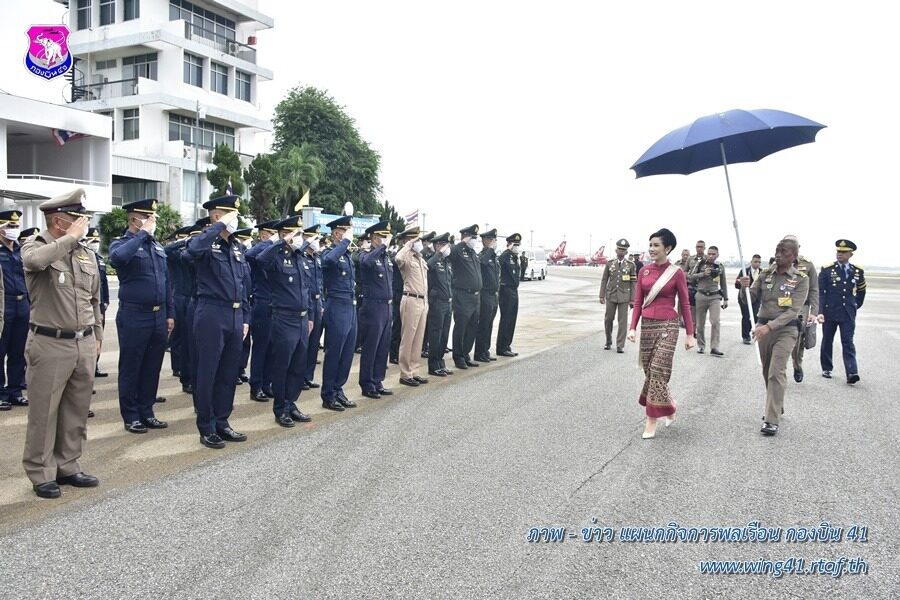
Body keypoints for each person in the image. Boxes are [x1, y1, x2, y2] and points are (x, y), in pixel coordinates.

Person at [21, 188, 101, 498]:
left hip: (82, 343)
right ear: (58, 220)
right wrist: (69, 239)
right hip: (50, 342)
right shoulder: (35, 245)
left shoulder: (85, 253)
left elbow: (93, 298)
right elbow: (35, 261)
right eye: (76, 219)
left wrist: (96, 335)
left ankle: (68, 465)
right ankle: (41, 472)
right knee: (45, 412)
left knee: (76, 409)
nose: (83, 224)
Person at [184, 195, 250, 449]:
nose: (235, 221)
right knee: (207, 371)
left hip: (234, 315)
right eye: (230, 215)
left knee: (228, 372)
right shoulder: (203, 243)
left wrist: (245, 316)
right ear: (216, 216)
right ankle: (206, 425)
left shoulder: (236, 247)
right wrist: (217, 227)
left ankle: (222, 421)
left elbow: (243, 285)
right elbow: (191, 253)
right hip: (211, 312)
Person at [108, 198, 174, 434]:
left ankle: (147, 411)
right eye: (148, 218)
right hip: (134, 315)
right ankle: (131, 415)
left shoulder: (156, 247)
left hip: (158, 316)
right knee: (131, 366)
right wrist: (141, 235)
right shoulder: (123, 243)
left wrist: (170, 314)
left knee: (152, 366)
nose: (153, 222)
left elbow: (166, 283)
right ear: (135, 219)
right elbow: (117, 260)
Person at [627, 228, 695, 440]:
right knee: (650, 371)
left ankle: (651, 420)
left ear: (668, 248)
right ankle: (670, 406)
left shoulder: (677, 273)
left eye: (656, 245)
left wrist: (690, 334)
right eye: (651, 245)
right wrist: (632, 327)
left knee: (658, 369)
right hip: (648, 325)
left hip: (668, 325)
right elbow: (638, 301)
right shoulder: (643, 271)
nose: (652, 249)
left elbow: (684, 303)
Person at [739, 238, 810, 436]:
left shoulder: (801, 279)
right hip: (763, 326)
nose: (778, 255)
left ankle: (771, 419)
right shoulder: (765, 274)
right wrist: (744, 288)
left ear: (793, 256)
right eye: (777, 251)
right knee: (766, 371)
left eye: (784, 252)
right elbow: (749, 298)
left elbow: (793, 310)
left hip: (786, 329)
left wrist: (769, 327)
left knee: (776, 372)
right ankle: (778, 405)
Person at [257, 216, 314, 426]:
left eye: (300, 234)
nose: (300, 238)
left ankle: (291, 403)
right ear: (284, 234)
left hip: (302, 318)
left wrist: (311, 317)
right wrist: (281, 242)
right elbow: (260, 259)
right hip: (284, 318)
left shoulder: (300, 257)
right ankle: (280, 408)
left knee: (299, 365)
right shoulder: (276, 256)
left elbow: (307, 289)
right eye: (295, 234)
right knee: (282, 366)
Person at [320, 215, 358, 411]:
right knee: (335, 351)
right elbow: (327, 261)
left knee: (347, 351)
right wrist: (344, 243)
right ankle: (328, 394)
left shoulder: (347, 254)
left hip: (350, 305)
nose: (348, 235)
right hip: (337, 305)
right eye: (345, 231)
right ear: (336, 233)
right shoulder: (331, 252)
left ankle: (338, 388)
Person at [818, 239, 866, 384]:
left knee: (848, 342)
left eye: (844, 252)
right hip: (830, 311)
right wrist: (820, 311)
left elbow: (861, 291)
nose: (840, 254)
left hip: (847, 313)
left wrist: (854, 306)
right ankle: (827, 367)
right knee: (827, 340)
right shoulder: (827, 269)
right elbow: (821, 293)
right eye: (838, 251)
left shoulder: (857, 271)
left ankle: (851, 372)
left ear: (850, 254)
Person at [358, 221, 395, 399]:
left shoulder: (386, 257)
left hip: (386, 305)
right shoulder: (367, 255)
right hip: (373, 306)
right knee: (371, 346)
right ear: (373, 238)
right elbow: (366, 263)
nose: (385, 240)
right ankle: (367, 383)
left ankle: (377, 380)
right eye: (381, 236)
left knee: (383, 346)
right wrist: (380, 248)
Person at [244, 220, 279, 401]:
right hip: (262, 303)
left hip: (277, 305)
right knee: (261, 347)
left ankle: (267, 383)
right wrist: (269, 242)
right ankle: (256, 385)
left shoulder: (276, 251)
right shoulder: (259, 249)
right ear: (263, 235)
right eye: (271, 234)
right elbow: (250, 255)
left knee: (273, 348)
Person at [0, 209, 28, 410]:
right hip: (4, 304)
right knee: (1, 351)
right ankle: (1, 393)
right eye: (10, 226)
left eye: (16, 226)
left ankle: (15, 391)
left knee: (18, 351)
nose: (14, 230)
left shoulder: (21, 250)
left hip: (22, 304)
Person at [395, 228, 430, 386]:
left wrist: (426, 303)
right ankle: (405, 373)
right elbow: (398, 258)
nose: (419, 243)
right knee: (408, 338)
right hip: (410, 299)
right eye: (416, 240)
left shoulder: (420, 259)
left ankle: (414, 370)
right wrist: (408, 245)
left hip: (422, 301)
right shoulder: (406, 257)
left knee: (418, 338)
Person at [782, 235, 819, 383]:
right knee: (780, 338)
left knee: (797, 339)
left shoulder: (808, 265)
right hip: (781, 305)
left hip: (800, 308)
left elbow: (814, 289)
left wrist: (814, 312)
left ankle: (797, 365)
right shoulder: (777, 263)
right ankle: (780, 369)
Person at [449, 224, 483, 369]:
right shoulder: (458, 251)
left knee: (472, 327)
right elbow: (450, 253)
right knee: (461, 327)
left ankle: (466, 353)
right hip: (463, 295)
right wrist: (462, 242)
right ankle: (458, 356)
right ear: (465, 237)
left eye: (475, 237)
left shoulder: (472, 253)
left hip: (475, 296)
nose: (474, 240)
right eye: (472, 237)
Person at [688, 245, 728, 356]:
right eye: (709, 253)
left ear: (717, 255)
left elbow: (723, 283)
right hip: (701, 295)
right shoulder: (700, 263)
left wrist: (726, 299)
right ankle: (701, 345)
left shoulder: (720, 266)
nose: (711, 256)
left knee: (715, 321)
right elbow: (690, 276)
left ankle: (714, 347)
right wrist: (702, 274)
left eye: (713, 254)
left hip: (714, 297)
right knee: (700, 324)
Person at [599, 238, 636, 353]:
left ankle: (620, 345)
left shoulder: (631, 265)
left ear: (626, 252)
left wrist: (633, 299)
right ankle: (608, 341)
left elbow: (633, 282)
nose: (621, 251)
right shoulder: (610, 263)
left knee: (622, 321)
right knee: (608, 319)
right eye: (619, 249)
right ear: (616, 250)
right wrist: (601, 295)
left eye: (623, 250)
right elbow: (604, 279)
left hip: (624, 297)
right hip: (611, 295)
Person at [426, 233, 454, 376]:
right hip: (437, 303)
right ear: (437, 246)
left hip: (448, 303)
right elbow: (428, 266)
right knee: (435, 334)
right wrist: (438, 254)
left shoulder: (446, 262)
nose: (446, 248)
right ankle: (433, 365)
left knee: (444, 334)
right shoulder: (434, 260)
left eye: (446, 245)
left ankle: (440, 362)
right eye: (443, 245)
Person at [302, 224, 325, 389]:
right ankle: (300, 376)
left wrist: (322, 302)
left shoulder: (317, 257)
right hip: (306, 302)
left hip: (317, 302)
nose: (317, 242)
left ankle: (308, 376)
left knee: (314, 341)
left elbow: (320, 282)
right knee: (304, 342)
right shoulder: (301, 256)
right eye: (314, 238)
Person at [84, 228, 109, 379]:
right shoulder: (85, 257)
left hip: (100, 304)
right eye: (92, 241)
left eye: (97, 241)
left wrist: (105, 300)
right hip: (88, 303)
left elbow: (103, 282)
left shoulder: (99, 258)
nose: (96, 244)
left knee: (99, 336)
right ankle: (87, 369)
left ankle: (95, 365)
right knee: (88, 337)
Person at [474, 228, 500, 363]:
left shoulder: (493, 257)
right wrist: (490, 250)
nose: (493, 242)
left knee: (489, 324)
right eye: (490, 239)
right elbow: (482, 263)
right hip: (485, 294)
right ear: (484, 241)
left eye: (494, 240)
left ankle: (485, 350)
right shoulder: (483, 255)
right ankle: (479, 352)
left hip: (494, 295)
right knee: (483, 324)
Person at [496, 233, 522, 358]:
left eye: (518, 245)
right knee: (506, 318)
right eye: (514, 244)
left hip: (513, 290)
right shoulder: (505, 256)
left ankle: (507, 345)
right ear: (509, 244)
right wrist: (507, 250)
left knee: (512, 319)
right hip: (505, 290)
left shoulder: (515, 257)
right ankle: (502, 347)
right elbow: (498, 262)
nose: (517, 247)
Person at [234, 227, 254, 385]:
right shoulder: (236, 254)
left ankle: (240, 368)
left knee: (245, 341)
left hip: (246, 301)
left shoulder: (243, 257)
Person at [735, 254, 762, 344]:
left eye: (759, 262)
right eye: (755, 262)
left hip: (756, 298)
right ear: (751, 262)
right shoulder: (744, 271)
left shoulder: (762, 272)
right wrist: (743, 283)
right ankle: (745, 336)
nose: (757, 264)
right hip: (744, 298)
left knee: (755, 316)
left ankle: (750, 329)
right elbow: (737, 284)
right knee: (746, 316)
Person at [686, 240, 706, 335]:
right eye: (698, 246)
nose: (699, 249)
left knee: (701, 312)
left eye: (701, 247)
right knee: (692, 311)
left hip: (702, 288)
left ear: (704, 248)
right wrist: (688, 276)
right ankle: (693, 330)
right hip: (691, 288)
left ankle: (699, 329)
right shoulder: (690, 259)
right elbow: (685, 272)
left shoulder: (707, 259)